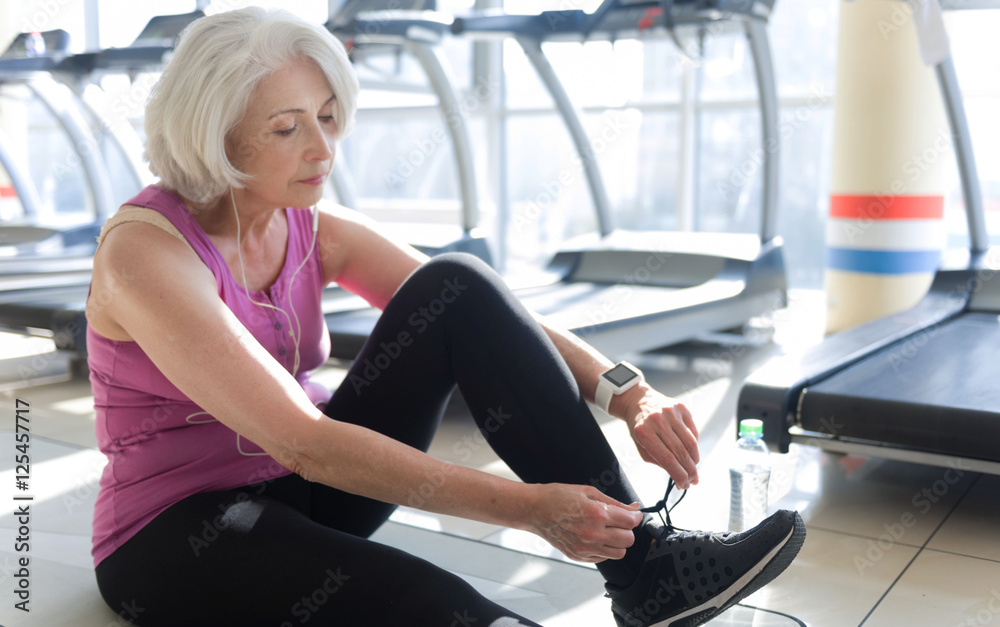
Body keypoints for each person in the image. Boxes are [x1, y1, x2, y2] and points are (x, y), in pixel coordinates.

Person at [86, 8, 804, 627]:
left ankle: (650, 570)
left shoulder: (304, 224)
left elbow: (483, 310)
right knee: (432, 600)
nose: (323, 147)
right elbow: (305, 441)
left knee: (452, 283)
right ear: (215, 132)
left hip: (302, 491)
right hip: (177, 531)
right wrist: (529, 508)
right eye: (286, 128)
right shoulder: (146, 254)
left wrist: (629, 392)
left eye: (329, 118)